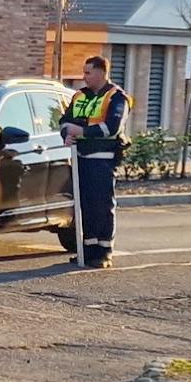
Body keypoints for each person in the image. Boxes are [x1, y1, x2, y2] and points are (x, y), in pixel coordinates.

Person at [59, 56, 132, 268]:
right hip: (80, 158)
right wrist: (66, 134)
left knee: (102, 206)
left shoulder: (117, 98)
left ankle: (104, 252)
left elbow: (112, 127)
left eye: (88, 73)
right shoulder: (80, 95)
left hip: (103, 160)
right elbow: (64, 121)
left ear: (102, 72)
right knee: (86, 206)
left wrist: (81, 131)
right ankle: (88, 250)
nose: (84, 77)